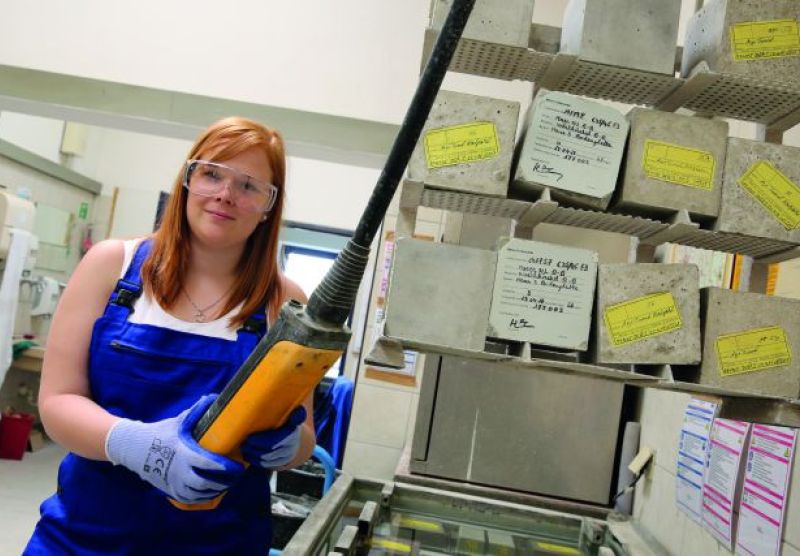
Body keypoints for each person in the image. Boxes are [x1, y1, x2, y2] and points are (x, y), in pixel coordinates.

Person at [24, 117, 315, 554]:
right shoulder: (112, 266)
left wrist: (289, 448)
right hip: (83, 537)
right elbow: (57, 402)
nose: (225, 194)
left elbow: (304, 434)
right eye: (212, 173)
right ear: (187, 179)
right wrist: (137, 446)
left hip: (221, 543)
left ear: (269, 206)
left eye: (248, 185)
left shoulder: (284, 302)